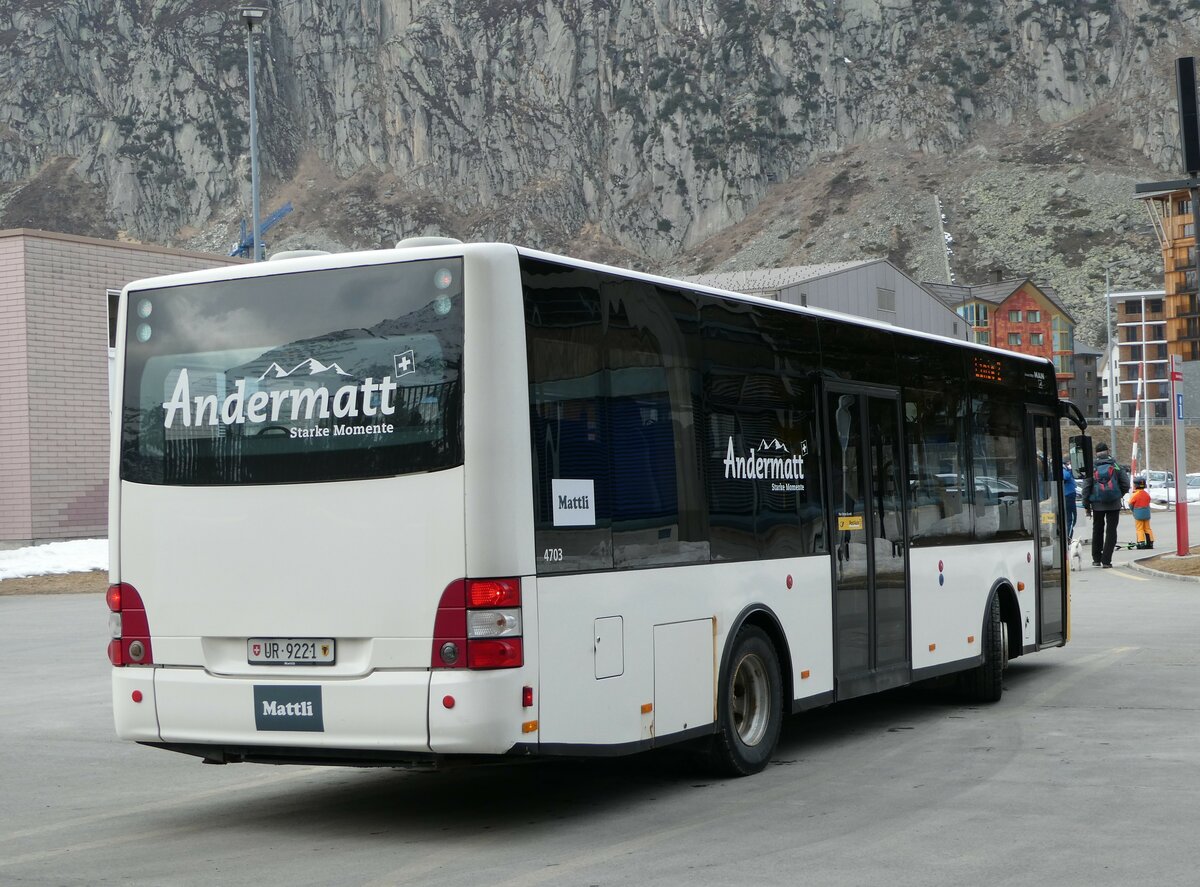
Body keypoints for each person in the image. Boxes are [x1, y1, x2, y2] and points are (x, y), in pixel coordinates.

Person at [1082, 442, 1130, 568]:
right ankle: (1106, 560)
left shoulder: (1091, 467)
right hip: (1114, 504)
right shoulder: (1116, 466)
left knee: (1097, 530)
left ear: (1096, 453)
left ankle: (1096, 559)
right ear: (1108, 451)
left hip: (1097, 504)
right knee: (1111, 531)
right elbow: (1126, 484)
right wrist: (1118, 495)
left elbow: (1086, 487)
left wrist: (1087, 504)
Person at [1129, 476, 1155, 550]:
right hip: (1146, 513)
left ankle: (1141, 542)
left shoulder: (1135, 494)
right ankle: (1150, 542)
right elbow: (1148, 501)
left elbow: (1130, 504)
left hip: (1138, 513)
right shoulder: (1146, 494)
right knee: (1147, 528)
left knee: (1139, 528)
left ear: (1135, 485)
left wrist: (1133, 510)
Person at [1062, 458, 1077, 541]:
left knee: (1072, 518)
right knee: (1071, 518)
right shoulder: (1063, 470)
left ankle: (1068, 536)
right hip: (1068, 495)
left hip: (1070, 495)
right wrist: (1069, 469)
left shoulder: (1066, 469)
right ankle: (1068, 538)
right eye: (1067, 463)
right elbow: (1066, 476)